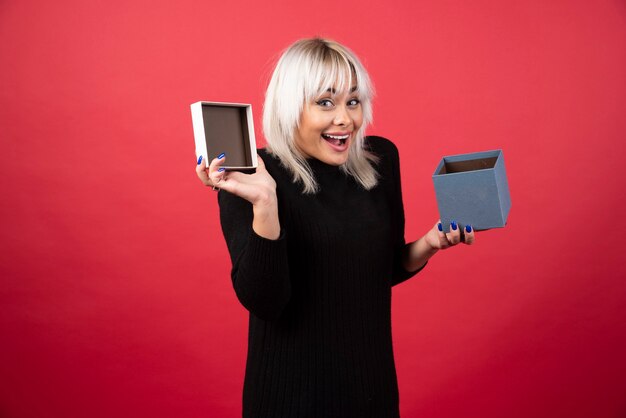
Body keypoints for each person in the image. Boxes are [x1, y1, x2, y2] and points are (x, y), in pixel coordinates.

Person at [196, 38, 476, 418]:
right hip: (288, 399)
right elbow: (266, 301)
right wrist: (265, 204)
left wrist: (429, 243)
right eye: (325, 102)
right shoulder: (252, 177)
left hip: (370, 392)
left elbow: (379, 271)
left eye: (353, 101)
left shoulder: (379, 160)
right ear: (290, 107)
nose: (346, 119)